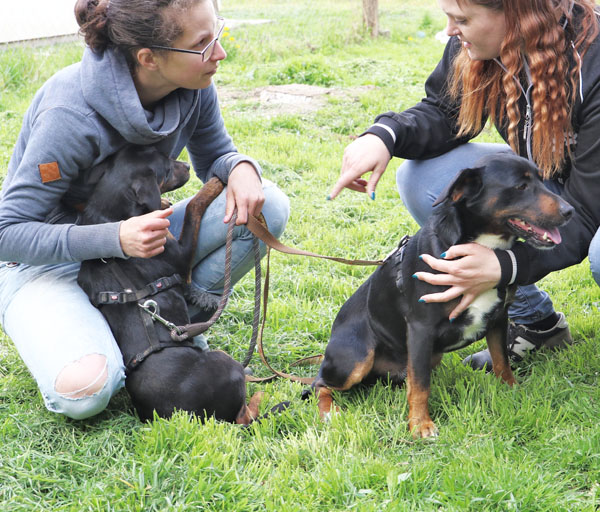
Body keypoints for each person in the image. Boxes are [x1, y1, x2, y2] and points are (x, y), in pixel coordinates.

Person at [0, 0, 290, 420]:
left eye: (218, 33)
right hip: (50, 261)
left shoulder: (194, 85)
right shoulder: (69, 115)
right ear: (149, 58)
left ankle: (169, 326)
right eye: (203, 44)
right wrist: (116, 237)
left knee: (268, 208)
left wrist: (240, 167)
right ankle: (107, 339)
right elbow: (8, 231)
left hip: (141, 255)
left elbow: (215, 156)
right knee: (84, 392)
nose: (220, 53)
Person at [329, 0, 600, 369]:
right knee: (422, 179)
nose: (450, 31)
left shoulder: (593, 60)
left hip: (592, 189)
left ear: (516, 14)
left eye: (462, 20)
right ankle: (535, 322)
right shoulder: (480, 44)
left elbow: (585, 207)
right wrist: (384, 136)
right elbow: (444, 111)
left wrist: (506, 265)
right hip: (549, 176)